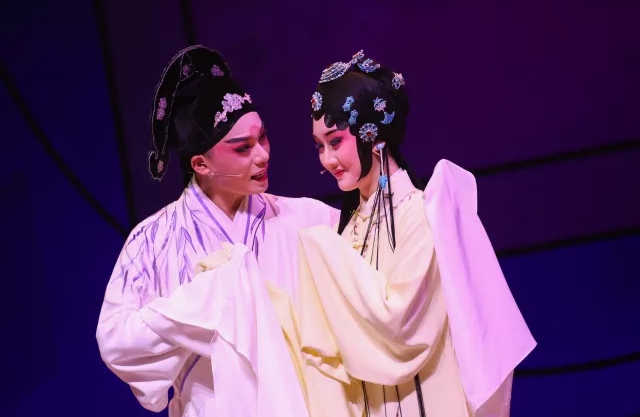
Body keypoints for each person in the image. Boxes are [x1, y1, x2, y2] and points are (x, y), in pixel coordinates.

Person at [283, 50, 537, 417]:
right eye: (319, 146)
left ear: (372, 133)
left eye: (335, 141)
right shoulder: (349, 228)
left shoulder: (422, 214)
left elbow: (400, 327)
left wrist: (321, 249)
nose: (326, 159)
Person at [96, 45, 339, 417]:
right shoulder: (152, 241)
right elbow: (115, 341)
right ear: (201, 164)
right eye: (243, 148)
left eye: (263, 138)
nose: (262, 155)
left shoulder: (305, 217)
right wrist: (204, 303)